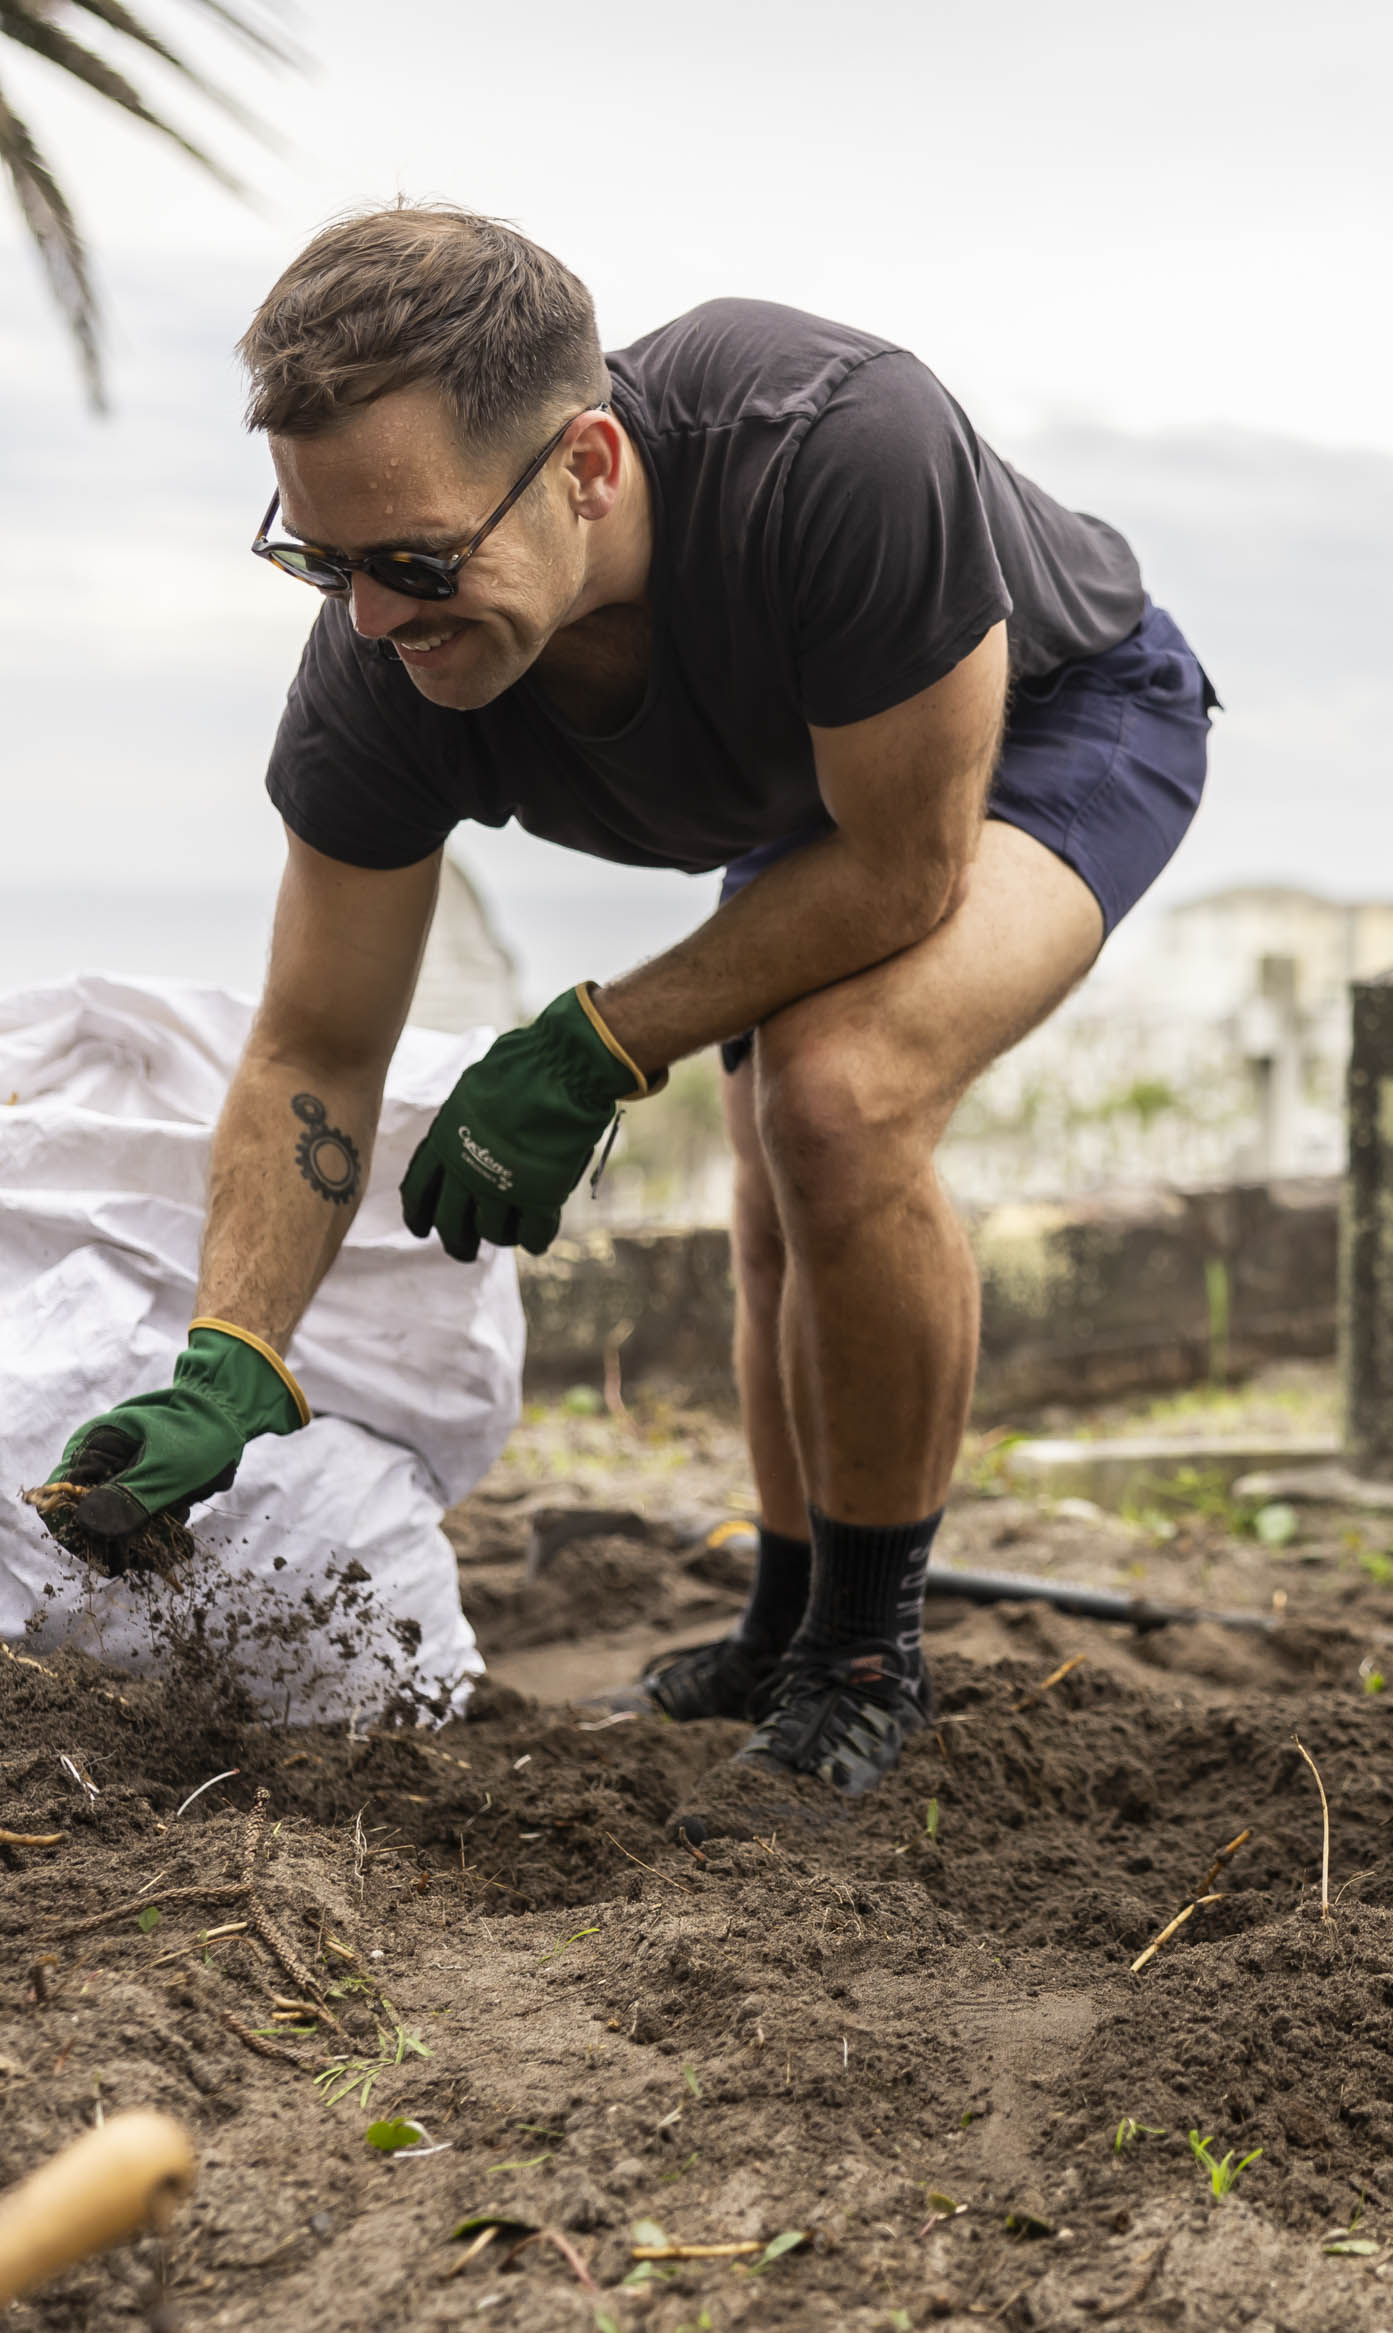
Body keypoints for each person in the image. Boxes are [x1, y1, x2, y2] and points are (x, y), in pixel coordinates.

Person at [44, 207, 1214, 1835]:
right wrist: (234, 1353)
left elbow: (897, 865)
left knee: (837, 1095)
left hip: (1042, 723)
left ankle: (865, 1655)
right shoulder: (381, 667)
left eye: (416, 562)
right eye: (321, 561)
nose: (371, 618)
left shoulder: (836, 451)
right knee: (768, 1192)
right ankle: (783, 1624)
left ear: (587, 465)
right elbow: (313, 1046)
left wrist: (594, 1036)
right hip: (822, 779)